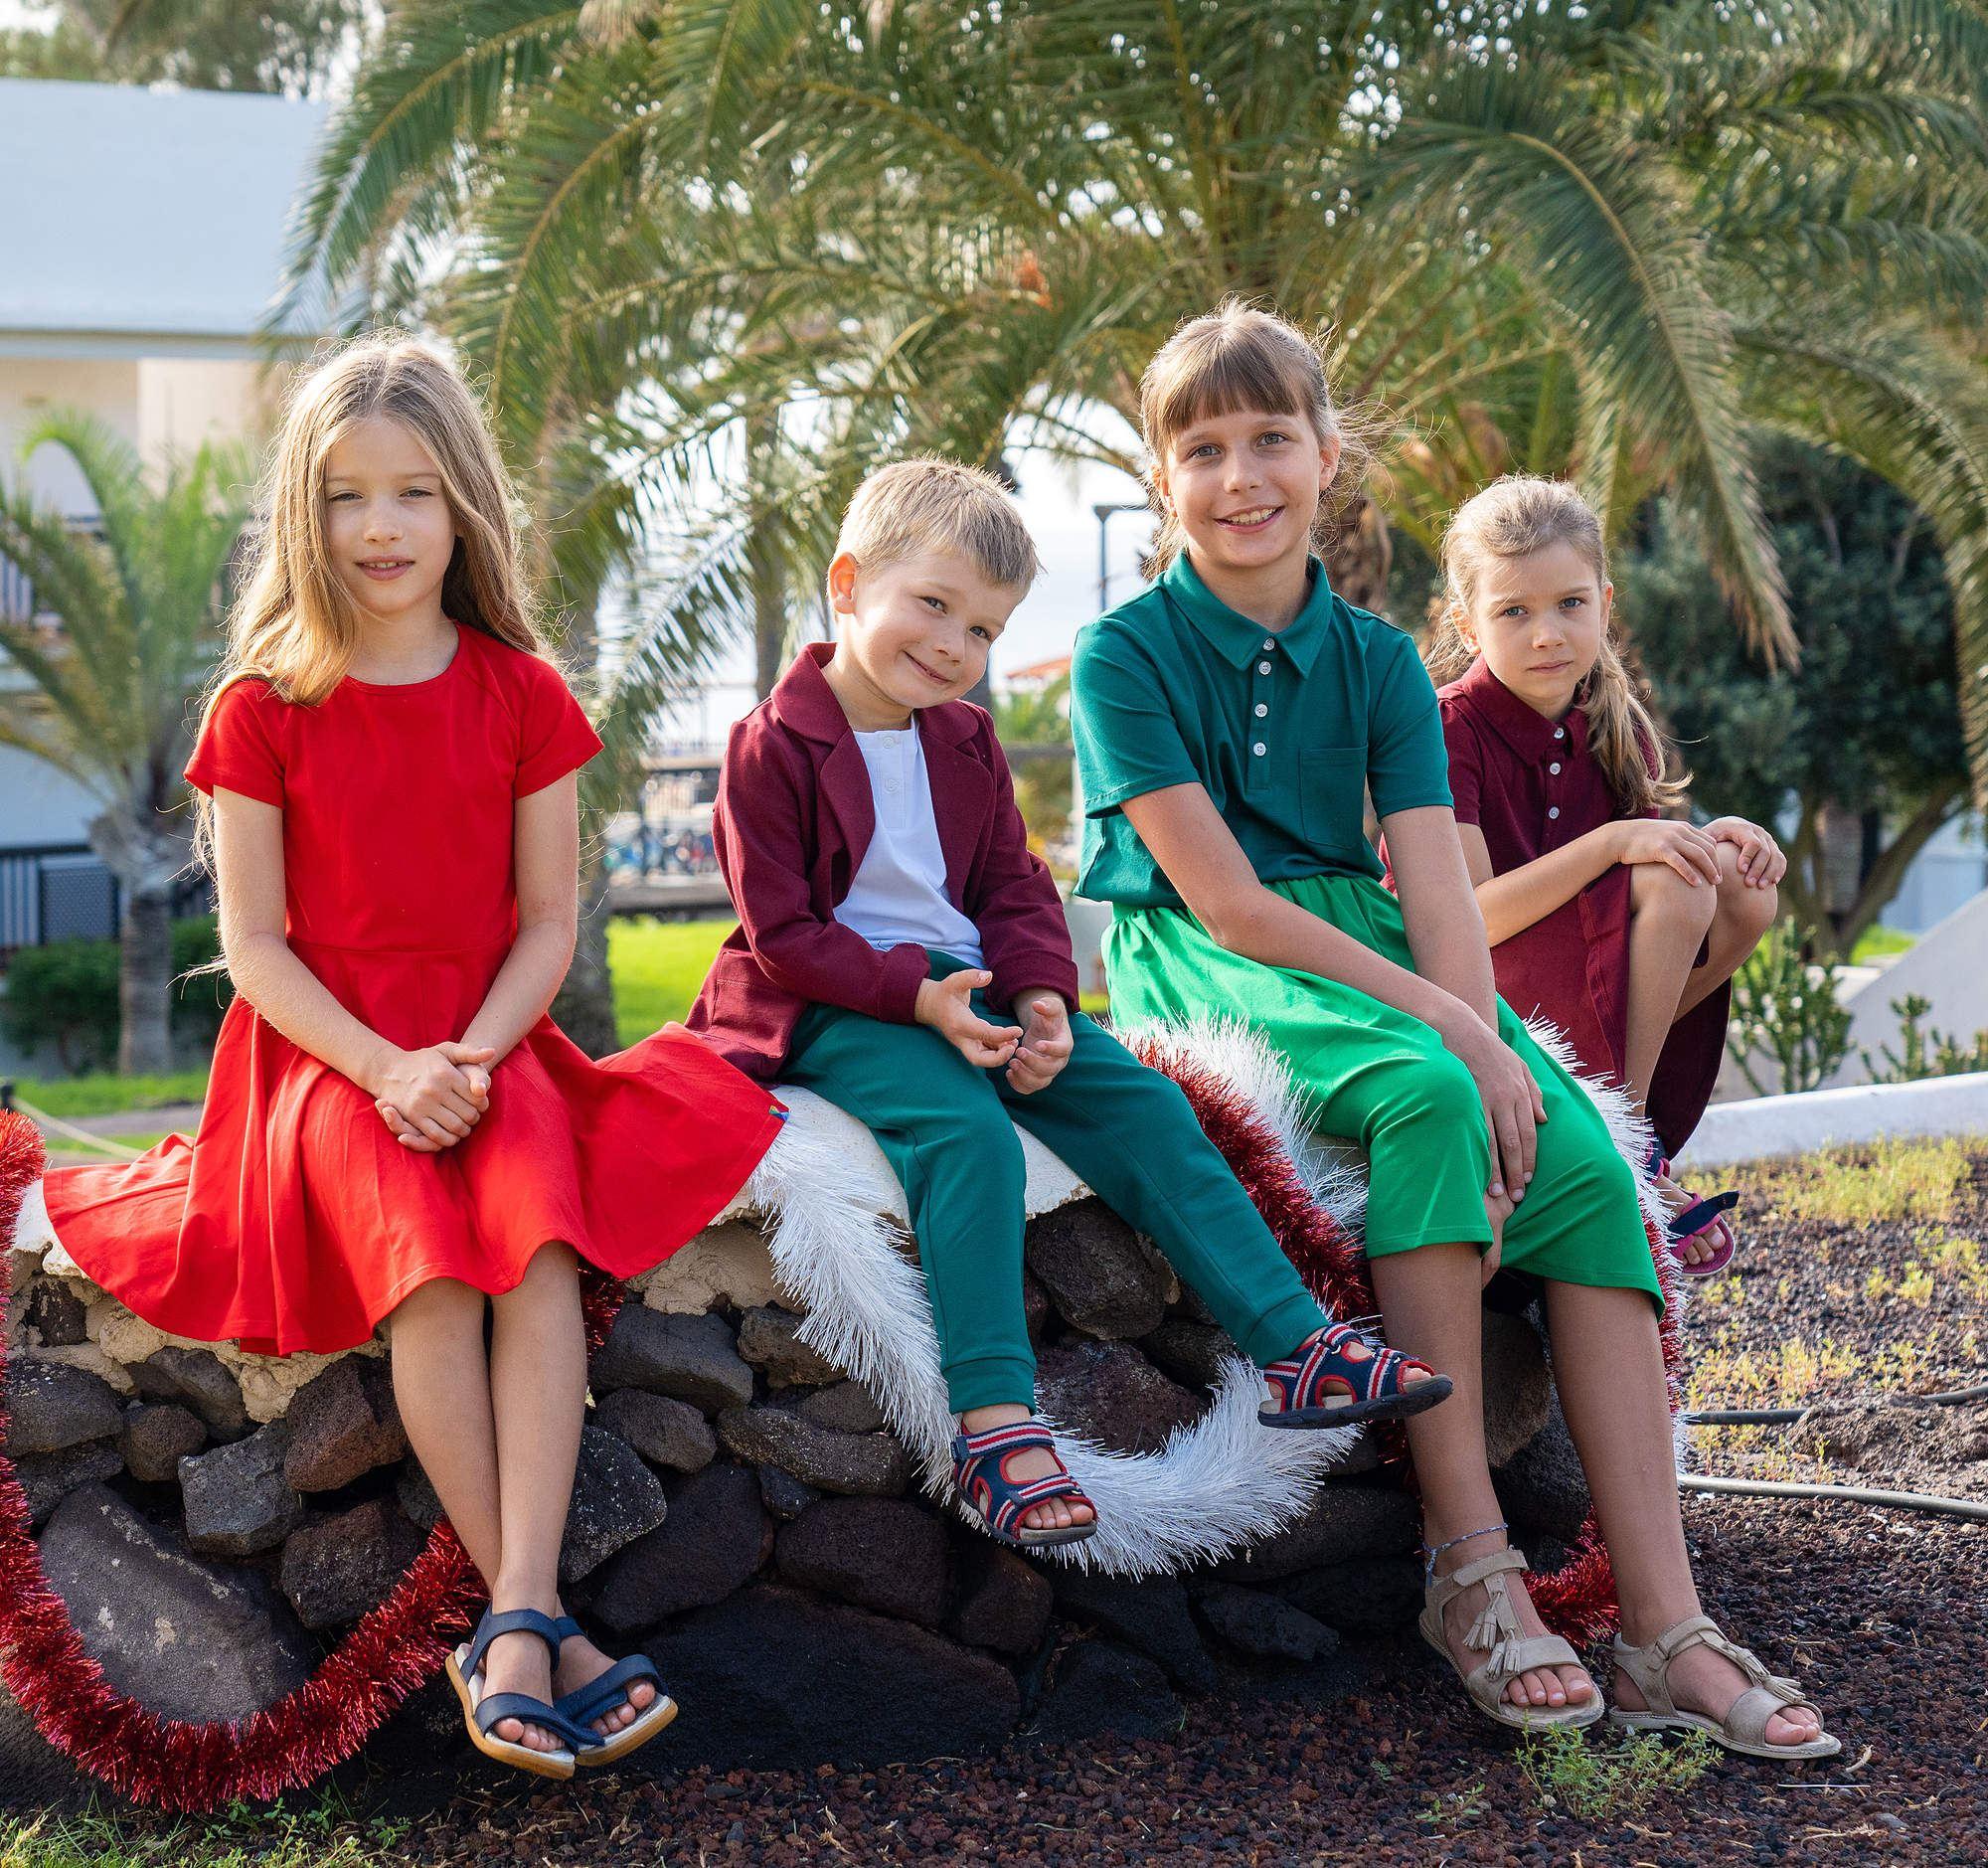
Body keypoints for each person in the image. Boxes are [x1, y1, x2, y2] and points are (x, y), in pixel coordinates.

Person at [1069, 300, 1835, 1757]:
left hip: (1366, 947)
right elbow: (1227, 904)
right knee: (1431, 1087)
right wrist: (1459, 1037)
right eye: (1206, 448)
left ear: (1328, 452)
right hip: (1217, 962)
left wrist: (1499, 1043)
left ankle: (1667, 1625)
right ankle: (1472, 1570)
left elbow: (1435, 897)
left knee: (1585, 1153)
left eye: (1273, 439)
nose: (1245, 478)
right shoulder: (1122, 656)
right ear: (1165, 474)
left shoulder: (1370, 659)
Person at [39, 334, 786, 1779]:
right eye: (343, 496)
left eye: (413, 493)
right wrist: (389, 1068)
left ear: (465, 511)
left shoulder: (520, 692)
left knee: (540, 1243)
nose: (379, 526)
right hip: (321, 1056)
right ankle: (541, 1622)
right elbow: (256, 950)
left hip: (495, 1036)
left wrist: (473, 1054)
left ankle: (511, 1617)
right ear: (302, 517)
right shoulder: (261, 707)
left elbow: (553, 920)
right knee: (434, 1266)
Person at [689, 456, 1452, 1550]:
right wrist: (921, 1001)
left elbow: (1012, 884)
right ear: (849, 583)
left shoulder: (963, 738)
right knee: (964, 1135)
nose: (953, 647)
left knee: (1140, 1104)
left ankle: (1297, 1347)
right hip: (833, 1000)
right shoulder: (772, 744)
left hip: (978, 984)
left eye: (982, 631)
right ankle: (996, 1427)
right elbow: (786, 933)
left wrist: (1044, 996)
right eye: (933, 606)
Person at [1412, 475, 1784, 1274]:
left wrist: (1719, 837)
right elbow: (1465, 922)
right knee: (1674, 876)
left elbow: (1650, 872)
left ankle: (1623, 1134)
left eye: (1570, 605)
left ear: (1605, 604)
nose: (1547, 633)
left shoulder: (1616, 728)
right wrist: (1614, 843)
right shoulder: (1447, 729)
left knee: (1733, 881)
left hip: (1587, 995)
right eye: (1514, 611)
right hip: (1472, 999)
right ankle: (1627, 1143)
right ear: (1464, 622)